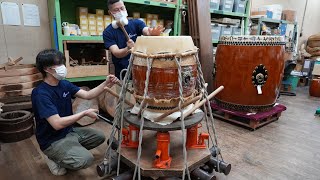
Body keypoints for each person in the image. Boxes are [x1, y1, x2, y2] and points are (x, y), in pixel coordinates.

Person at [31, 49, 119, 176]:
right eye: (58, 64)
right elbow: (57, 124)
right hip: (52, 140)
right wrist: (83, 113)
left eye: (62, 63)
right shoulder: (41, 94)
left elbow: (88, 94)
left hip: (68, 131)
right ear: (47, 69)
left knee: (99, 136)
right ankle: (53, 157)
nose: (62, 67)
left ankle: (68, 150)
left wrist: (106, 83)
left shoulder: (64, 84)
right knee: (86, 159)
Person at [103, 0, 164, 79]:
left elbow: (146, 31)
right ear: (110, 13)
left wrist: (152, 32)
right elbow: (116, 53)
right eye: (116, 10)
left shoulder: (137, 23)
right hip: (123, 73)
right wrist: (128, 48)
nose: (120, 12)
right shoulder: (108, 32)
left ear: (125, 8)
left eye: (122, 8)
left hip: (141, 70)